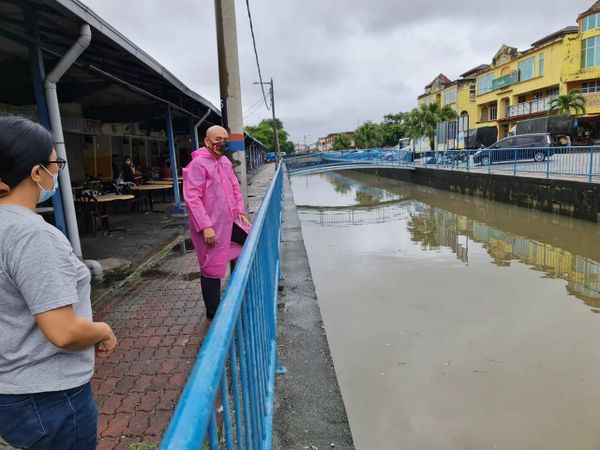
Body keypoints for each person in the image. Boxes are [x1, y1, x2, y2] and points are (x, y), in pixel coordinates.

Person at [0, 116, 118, 450]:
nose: (56, 173)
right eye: (55, 164)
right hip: (48, 400)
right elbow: (63, 331)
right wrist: (103, 330)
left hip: (11, 394)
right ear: (37, 173)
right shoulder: (31, 235)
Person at [183, 125, 251, 319]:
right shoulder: (198, 165)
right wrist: (205, 226)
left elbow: (235, 187)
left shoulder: (225, 162)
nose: (222, 143)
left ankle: (239, 290)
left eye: (225, 139)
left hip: (230, 220)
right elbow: (192, 198)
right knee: (211, 266)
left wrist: (240, 211)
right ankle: (213, 313)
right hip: (210, 225)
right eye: (218, 139)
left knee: (250, 240)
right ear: (207, 141)